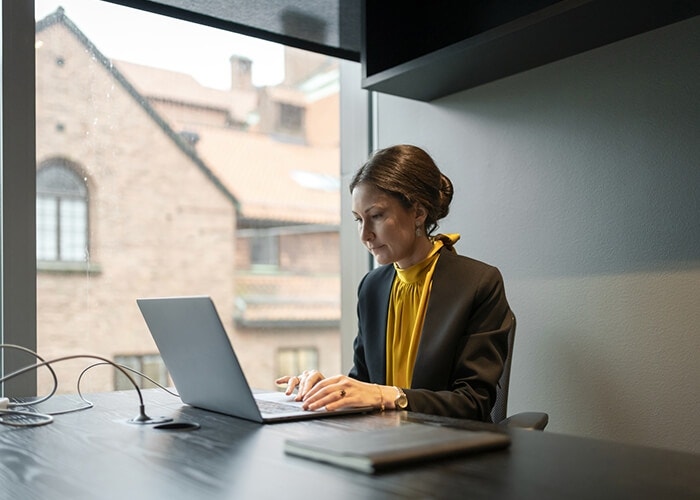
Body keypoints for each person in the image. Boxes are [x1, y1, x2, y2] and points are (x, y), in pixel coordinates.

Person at [276, 144, 513, 421]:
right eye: (358, 219)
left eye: (376, 216)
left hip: (446, 448)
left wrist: (387, 396)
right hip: (383, 443)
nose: (365, 234)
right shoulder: (372, 287)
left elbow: (473, 403)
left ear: (418, 212)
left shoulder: (479, 283)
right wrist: (328, 391)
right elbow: (363, 382)